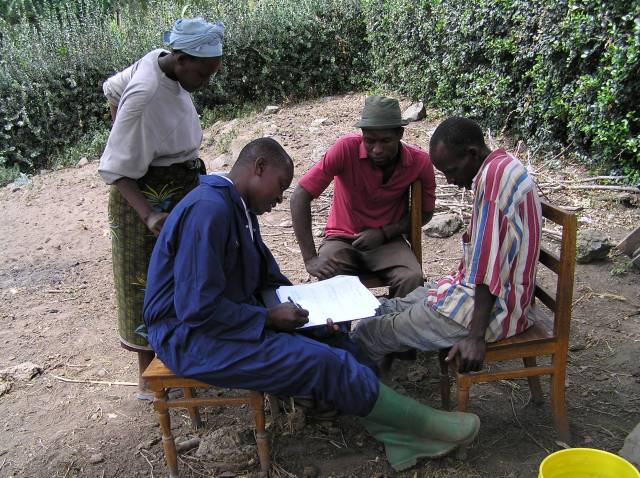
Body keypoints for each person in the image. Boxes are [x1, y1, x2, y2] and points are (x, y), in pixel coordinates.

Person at [143, 137, 480, 472]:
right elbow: (195, 308)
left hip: (224, 319)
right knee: (323, 363)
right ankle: (416, 425)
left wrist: (312, 313)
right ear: (259, 167)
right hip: (190, 338)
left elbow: (267, 280)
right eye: (280, 186)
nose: (279, 198)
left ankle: (393, 428)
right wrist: (268, 318)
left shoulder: (238, 208)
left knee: (335, 338)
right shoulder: (209, 209)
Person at [352, 117, 542, 373]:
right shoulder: (502, 164)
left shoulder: (494, 181)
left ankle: (355, 396)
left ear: (472, 153)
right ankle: (366, 374)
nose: (450, 181)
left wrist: (476, 337)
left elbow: (486, 271)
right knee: (381, 308)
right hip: (476, 292)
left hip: (496, 310)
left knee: (369, 331)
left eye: (451, 170)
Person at [98, 17, 224, 400]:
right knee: (144, 282)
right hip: (144, 195)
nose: (206, 82)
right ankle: (149, 381)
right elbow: (116, 168)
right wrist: (148, 213)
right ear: (182, 59)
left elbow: (110, 87)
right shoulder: (146, 94)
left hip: (178, 183)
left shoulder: (157, 59)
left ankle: (182, 358)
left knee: (185, 273)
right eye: (203, 73)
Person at [290, 96, 436, 298]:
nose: (377, 149)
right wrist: (310, 259)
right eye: (369, 141)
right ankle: (338, 330)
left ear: (400, 134)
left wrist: (385, 233)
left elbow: (426, 213)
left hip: (388, 242)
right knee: (328, 274)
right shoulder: (345, 149)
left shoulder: (419, 162)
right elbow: (300, 196)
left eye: (385, 141)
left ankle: (392, 326)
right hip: (340, 239)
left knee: (411, 277)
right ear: (362, 135)